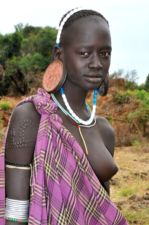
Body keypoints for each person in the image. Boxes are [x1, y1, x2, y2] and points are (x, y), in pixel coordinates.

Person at [0, 7, 128, 225]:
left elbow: (102, 208)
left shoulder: (105, 131)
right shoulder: (32, 116)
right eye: (85, 53)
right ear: (59, 55)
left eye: (105, 53)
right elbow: (15, 213)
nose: (97, 63)